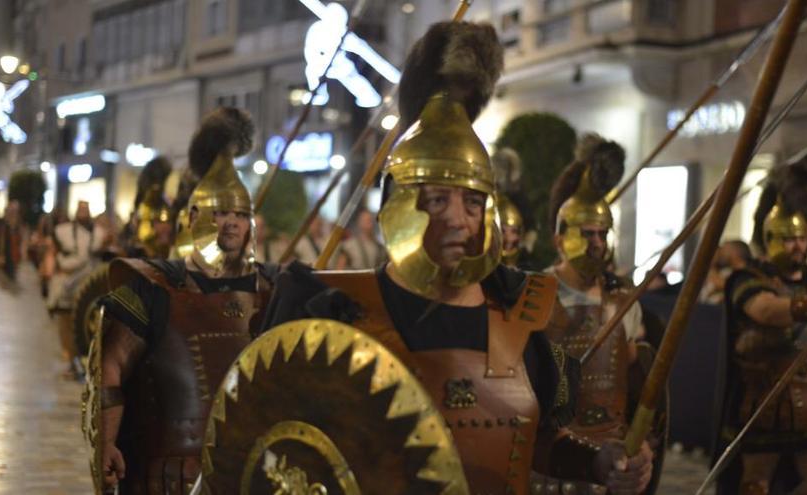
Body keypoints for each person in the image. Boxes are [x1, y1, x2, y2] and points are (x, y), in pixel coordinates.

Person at [248, 22, 653, 494]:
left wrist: (596, 462)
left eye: (473, 202)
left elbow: (535, 442)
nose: (459, 219)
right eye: (438, 200)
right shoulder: (330, 311)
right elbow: (282, 455)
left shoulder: (522, 311)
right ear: (399, 203)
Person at [94, 107, 277, 494]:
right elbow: (110, 370)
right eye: (220, 211)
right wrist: (106, 442)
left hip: (251, 473)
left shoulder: (274, 291)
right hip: (166, 476)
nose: (230, 222)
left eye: (239, 215)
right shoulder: (152, 288)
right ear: (194, 216)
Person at [534, 133, 664, 494]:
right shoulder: (535, 295)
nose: (596, 243)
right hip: (553, 454)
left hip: (612, 453)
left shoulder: (624, 300)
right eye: (587, 233)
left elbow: (638, 377)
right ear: (560, 237)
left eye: (602, 234)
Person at [714, 162, 807, 494]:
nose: (798, 247)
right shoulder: (748, 279)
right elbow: (765, 310)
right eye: (789, 239)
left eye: (802, 238)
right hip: (761, 399)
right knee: (755, 483)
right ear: (771, 237)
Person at [47, 200, 106, 379]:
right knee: (66, 325)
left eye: (85, 209)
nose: (83, 212)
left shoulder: (99, 234)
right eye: (80, 209)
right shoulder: (63, 232)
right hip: (68, 286)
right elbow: (56, 255)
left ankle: (86, 362)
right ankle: (72, 361)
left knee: (87, 327)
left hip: (89, 289)